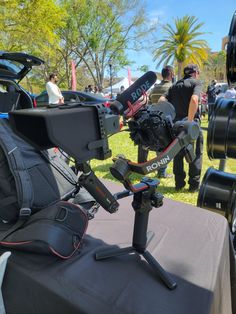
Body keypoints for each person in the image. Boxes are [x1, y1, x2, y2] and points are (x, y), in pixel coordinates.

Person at [159, 64, 203, 192]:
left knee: (177, 155)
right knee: (195, 155)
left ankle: (179, 184)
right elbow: (194, 100)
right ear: (195, 73)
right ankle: (193, 186)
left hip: (176, 126)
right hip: (191, 125)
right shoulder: (196, 83)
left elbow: (161, 100)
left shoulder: (174, 85)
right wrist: (190, 121)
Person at [138, 65, 174, 178]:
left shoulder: (155, 88)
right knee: (164, 146)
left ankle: (148, 166)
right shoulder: (172, 87)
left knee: (154, 144)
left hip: (153, 119)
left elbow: (149, 101)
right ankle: (162, 172)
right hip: (166, 119)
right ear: (172, 74)